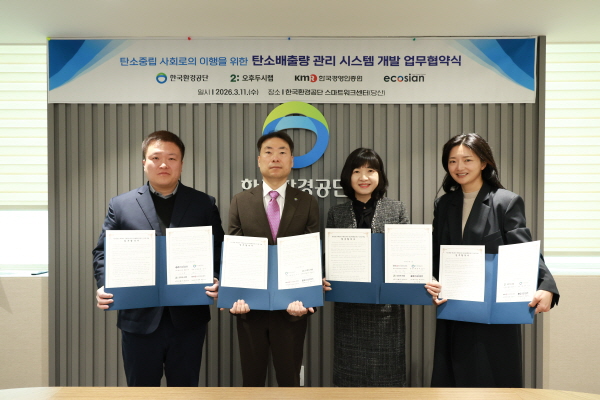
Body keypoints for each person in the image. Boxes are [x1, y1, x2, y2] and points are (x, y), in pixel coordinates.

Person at [424, 133, 559, 388]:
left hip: (493, 314)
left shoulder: (505, 201)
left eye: (467, 160)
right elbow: (435, 251)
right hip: (453, 307)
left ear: (484, 162)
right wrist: (431, 278)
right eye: (452, 161)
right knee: (452, 381)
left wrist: (546, 285)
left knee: (492, 380)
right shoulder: (444, 204)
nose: (459, 167)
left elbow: (523, 249)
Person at [92, 130, 225, 387]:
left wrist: (217, 277)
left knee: (185, 391)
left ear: (181, 164)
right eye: (156, 158)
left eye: (172, 158)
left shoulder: (203, 204)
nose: (164, 164)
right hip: (138, 318)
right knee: (141, 391)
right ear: (144, 163)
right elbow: (102, 252)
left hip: (188, 319)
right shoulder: (121, 205)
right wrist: (104, 284)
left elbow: (218, 248)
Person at [227, 130, 320, 387]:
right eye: (268, 152)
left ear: (291, 160)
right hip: (249, 308)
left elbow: (311, 254)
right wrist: (234, 296)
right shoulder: (240, 201)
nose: (275, 158)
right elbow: (235, 253)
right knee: (252, 381)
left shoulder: (307, 202)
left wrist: (307, 300)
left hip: (292, 308)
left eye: (282, 152)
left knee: (289, 381)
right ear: (259, 160)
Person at [323, 148, 409, 387]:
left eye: (370, 170)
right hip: (348, 308)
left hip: (387, 309)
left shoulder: (396, 209)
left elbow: (406, 254)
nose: (364, 177)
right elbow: (329, 256)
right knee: (349, 379)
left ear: (379, 175)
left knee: (388, 378)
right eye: (357, 171)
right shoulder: (337, 213)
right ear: (348, 176)